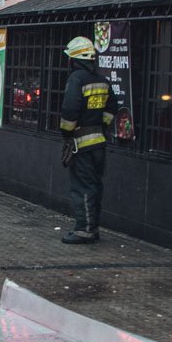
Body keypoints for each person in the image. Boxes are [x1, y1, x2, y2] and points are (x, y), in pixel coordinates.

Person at [59, 36, 117, 245]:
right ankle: (93, 227)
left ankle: (84, 231)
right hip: (99, 143)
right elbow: (112, 107)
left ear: (74, 59)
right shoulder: (102, 80)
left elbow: (70, 110)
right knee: (95, 186)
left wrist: (67, 133)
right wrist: (100, 126)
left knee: (83, 187)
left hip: (81, 144)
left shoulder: (76, 79)